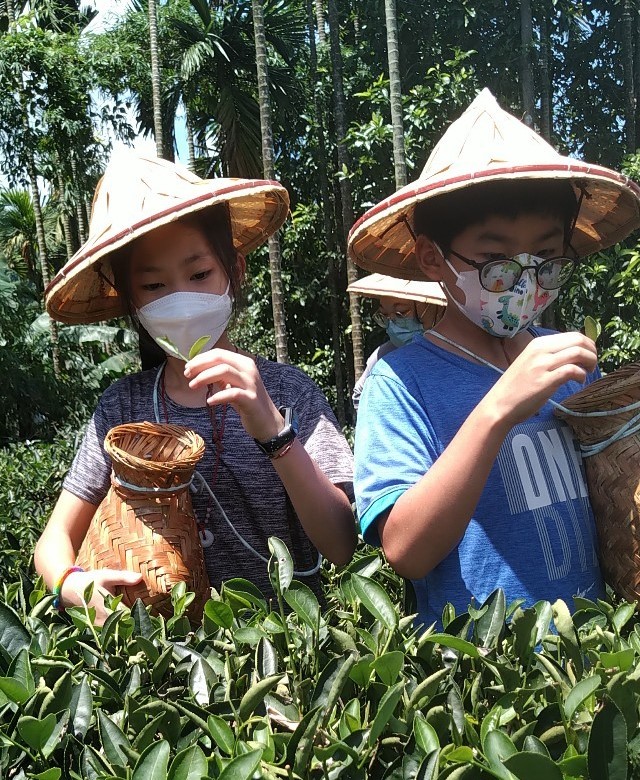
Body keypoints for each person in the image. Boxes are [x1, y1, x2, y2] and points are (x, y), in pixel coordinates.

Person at [348, 88, 640, 629]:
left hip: (596, 650)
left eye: (546, 255)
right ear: (434, 258)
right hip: (485, 673)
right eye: (493, 257)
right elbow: (406, 550)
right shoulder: (400, 382)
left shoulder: (571, 366)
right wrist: (497, 408)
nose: (524, 277)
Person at [35, 152, 356, 622]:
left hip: (284, 660)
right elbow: (54, 538)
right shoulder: (121, 407)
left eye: (199, 274)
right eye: (153, 285)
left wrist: (274, 431)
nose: (179, 299)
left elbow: (342, 542)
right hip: (162, 668)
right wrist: (73, 584)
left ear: (236, 271)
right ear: (132, 302)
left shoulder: (287, 392)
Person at [347, 273, 446, 411]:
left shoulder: (459, 352)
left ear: (434, 307)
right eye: (385, 315)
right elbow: (359, 395)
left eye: (401, 312)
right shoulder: (384, 357)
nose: (392, 323)